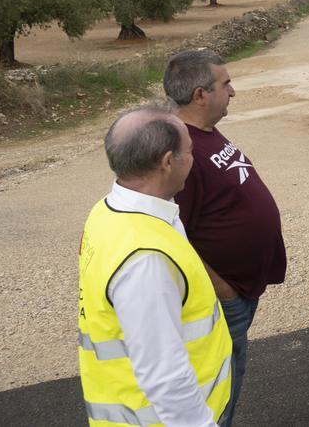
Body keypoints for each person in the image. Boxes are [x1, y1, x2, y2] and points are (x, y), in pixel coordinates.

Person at [78, 102, 232, 426]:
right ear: (166, 162)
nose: (194, 158)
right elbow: (165, 375)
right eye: (189, 152)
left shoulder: (107, 211)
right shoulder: (146, 260)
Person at [165, 49, 287, 427]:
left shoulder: (204, 133)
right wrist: (222, 289)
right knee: (218, 390)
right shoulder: (179, 151)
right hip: (223, 297)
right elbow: (172, 235)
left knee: (230, 381)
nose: (233, 91)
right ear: (200, 95)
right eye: (226, 84)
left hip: (241, 290)